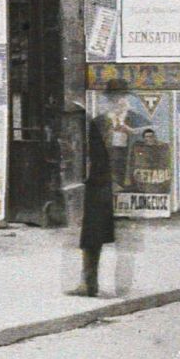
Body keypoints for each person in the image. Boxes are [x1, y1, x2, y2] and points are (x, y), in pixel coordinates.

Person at [74, 100, 117, 298]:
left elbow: (91, 160)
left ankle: (89, 284)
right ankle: (89, 282)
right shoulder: (100, 128)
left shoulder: (94, 131)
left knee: (92, 236)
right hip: (100, 186)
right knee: (92, 237)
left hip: (97, 188)